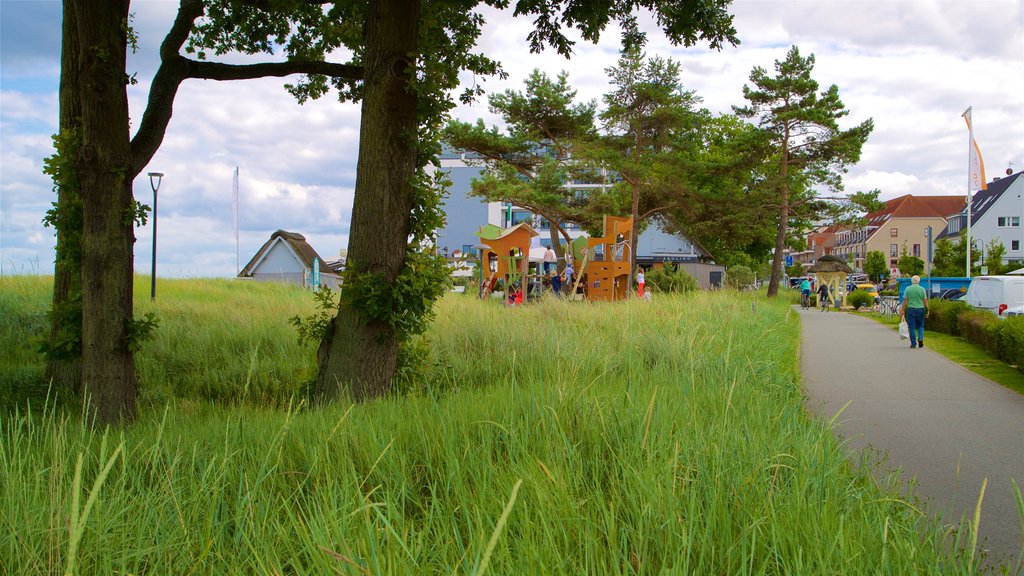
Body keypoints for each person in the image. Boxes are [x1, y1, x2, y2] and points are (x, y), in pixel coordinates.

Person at [901, 275, 930, 348]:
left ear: (912, 281)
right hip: (920, 309)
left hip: (911, 309)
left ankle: (913, 343)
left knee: (912, 327)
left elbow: (905, 300)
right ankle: (920, 339)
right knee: (920, 325)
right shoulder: (922, 289)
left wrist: (902, 309)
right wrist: (927, 310)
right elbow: (925, 301)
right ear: (919, 281)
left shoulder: (908, 289)